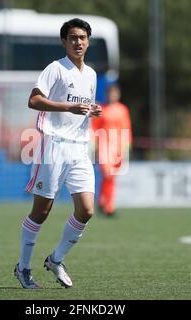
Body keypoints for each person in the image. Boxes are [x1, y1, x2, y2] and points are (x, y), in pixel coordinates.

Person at [14, 18, 102, 289]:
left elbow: (81, 108)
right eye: (73, 37)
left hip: (79, 148)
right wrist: (67, 108)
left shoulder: (91, 74)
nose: (78, 42)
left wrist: (91, 109)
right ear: (64, 41)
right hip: (52, 145)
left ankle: (56, 259)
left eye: (83, 37)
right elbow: (34, 100)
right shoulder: (55, 69)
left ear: (88, 41)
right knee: (42, 211)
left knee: (86, 210)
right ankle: (23, 267)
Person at [91, 84, 132, 217]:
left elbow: (126, 128)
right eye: (110, 93)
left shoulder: (122, 109)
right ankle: (108, 207)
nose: (112, 96)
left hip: (118, 147)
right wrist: (94, 145)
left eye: (114, 93)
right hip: (104, 145)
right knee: (108, 174)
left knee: (111, 177)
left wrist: (127, 146)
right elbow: (94, 128)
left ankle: (103, 202)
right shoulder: (101, 109)